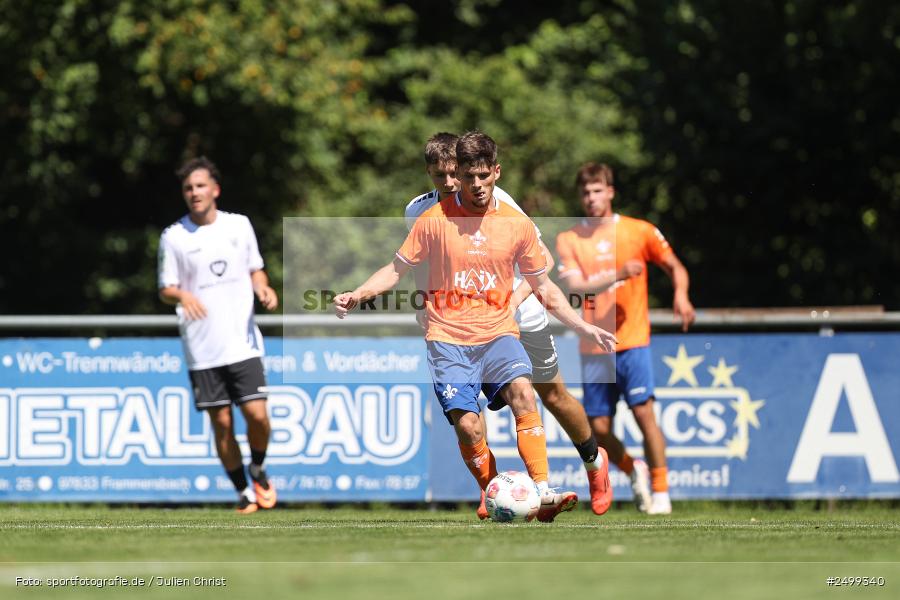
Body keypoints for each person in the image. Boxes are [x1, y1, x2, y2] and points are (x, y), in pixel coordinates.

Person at [337, 131, 617, 522]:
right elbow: (417, 264)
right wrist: (423, 304)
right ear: (433, 174)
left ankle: (593, 461)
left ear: (488, 173)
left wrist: (511, 303)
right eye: (443, 176)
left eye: (459, 174)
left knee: (549, 396)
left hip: (521, 312)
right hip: (459, 324)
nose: (452, 183)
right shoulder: (421, 214)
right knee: (470, 419)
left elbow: (543, 267)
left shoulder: (505, 208)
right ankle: (497, 488)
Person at [555, 162, 696, 515]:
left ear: (611, 192)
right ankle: (634, 469)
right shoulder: (569, 238)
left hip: (632, 340)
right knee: (598, 428)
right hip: (593, 345)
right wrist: (618, 274)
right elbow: (575, 288)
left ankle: (661, 493)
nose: (591, 198)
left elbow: (675, 266)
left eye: (598, 190)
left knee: (644, 413)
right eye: (585, 192)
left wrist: (681, 294)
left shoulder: (639, 231)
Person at [158, 157, 279, 514]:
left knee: (257, 415)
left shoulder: (239, 226)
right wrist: (182, 295)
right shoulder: (174, 236)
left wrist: (264, 288)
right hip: (202, 346)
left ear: (215, 190)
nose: (194, 193)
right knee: (221, 422)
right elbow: (165, 288)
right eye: (188, 188)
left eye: (199, 186)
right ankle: (243, 491)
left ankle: (257, 467)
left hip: (241, 341)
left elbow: (256, 269)